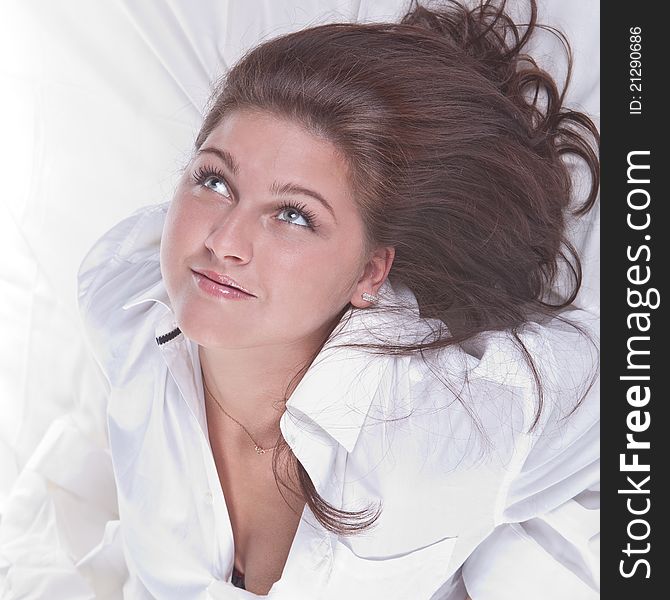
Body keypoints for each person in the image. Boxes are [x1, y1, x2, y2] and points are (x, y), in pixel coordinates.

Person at [3, 0, 600, 598]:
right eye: (214, 180)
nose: (224, 241)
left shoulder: (431, 426)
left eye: (293, 215)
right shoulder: (125, 300)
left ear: (370, 271)